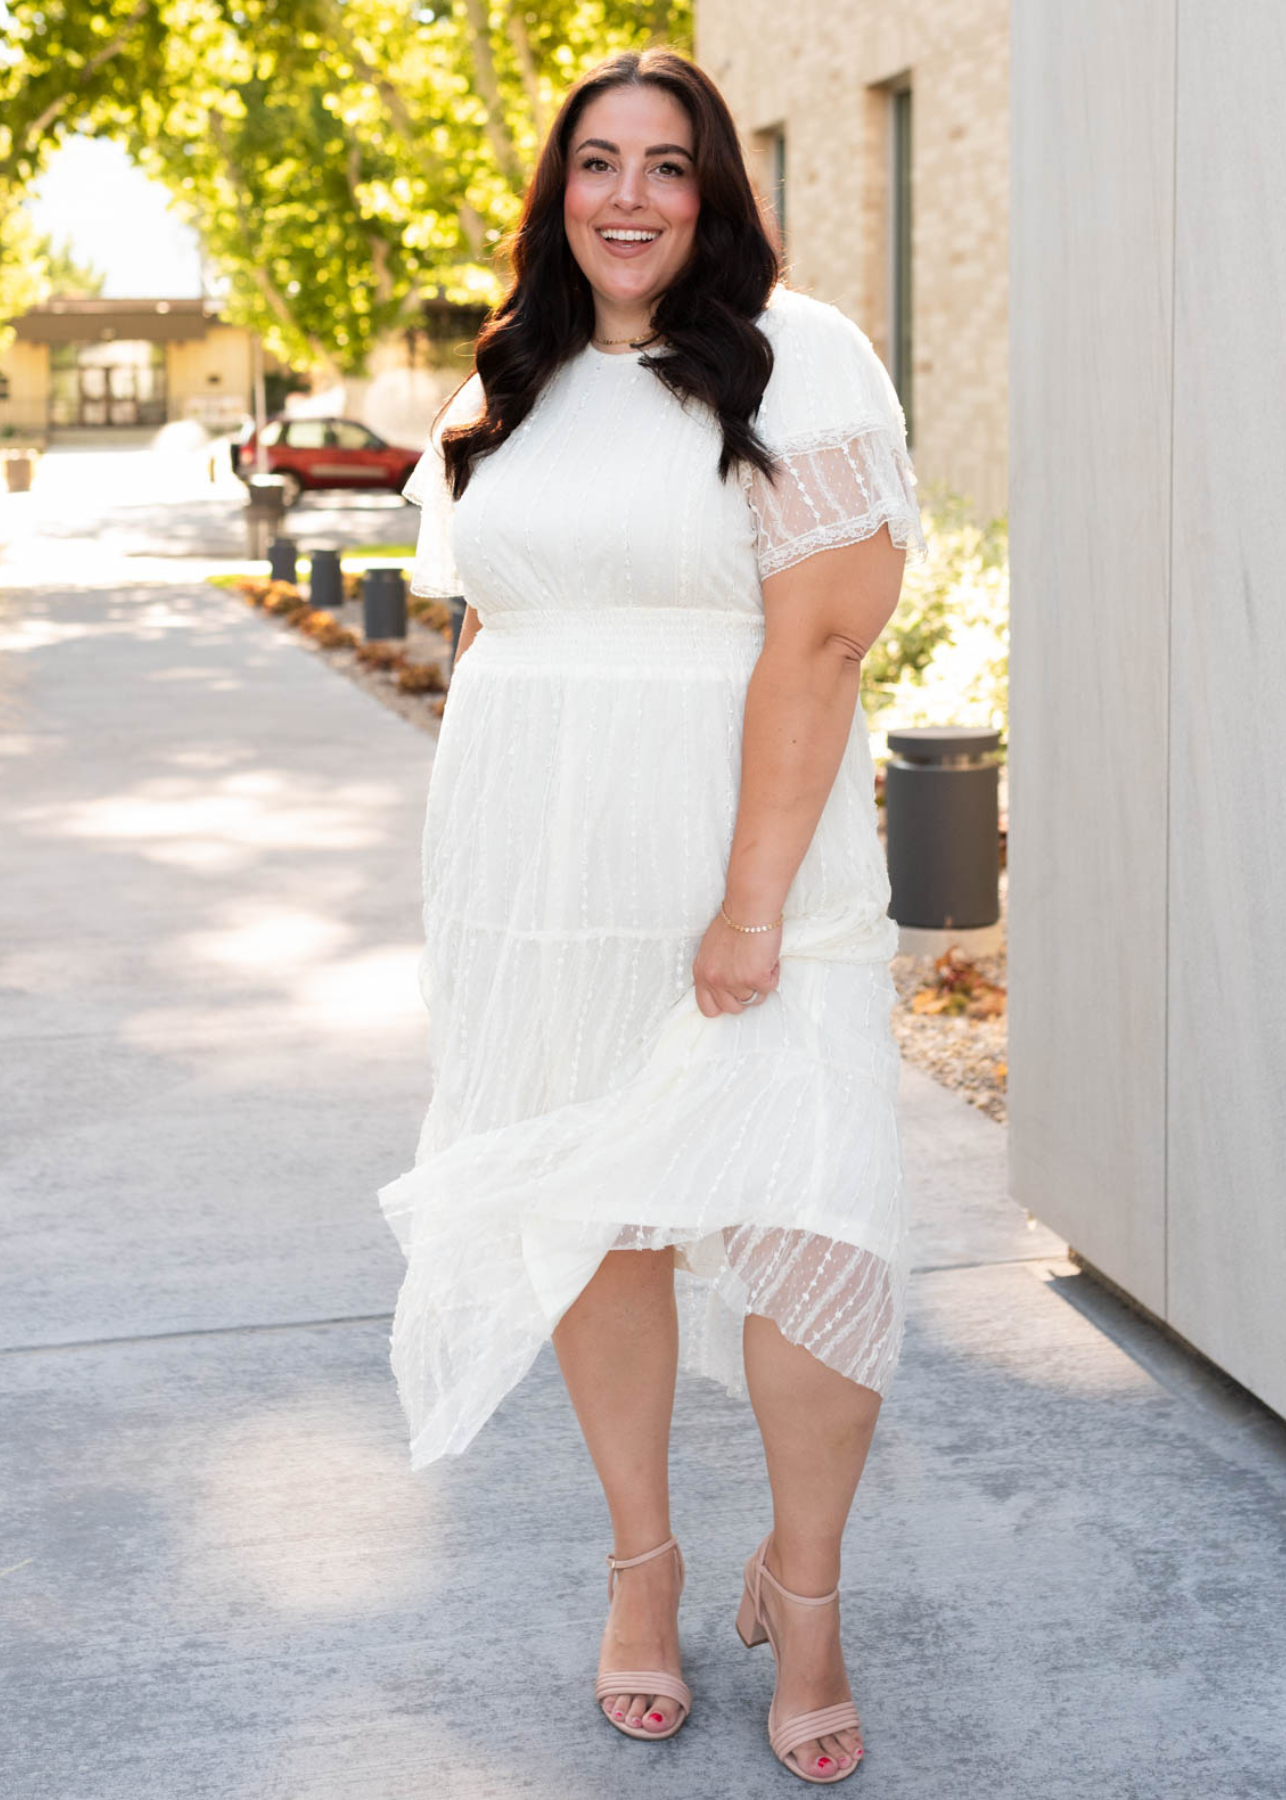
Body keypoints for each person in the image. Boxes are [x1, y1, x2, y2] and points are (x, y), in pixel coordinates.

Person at [377, 43, 927, 1786]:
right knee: (590, 1212)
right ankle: (643, 1565)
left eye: (667, 165)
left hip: (743, 860)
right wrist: (490, 876)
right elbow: (490, 630)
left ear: (715, 192)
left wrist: (750, 901)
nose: (628, 197)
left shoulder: (796, 355)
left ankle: (809, 1592)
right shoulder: (515, 379)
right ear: (558, 191)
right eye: (596, 162)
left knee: (811, 1220)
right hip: (539, 874)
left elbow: (825, 637)